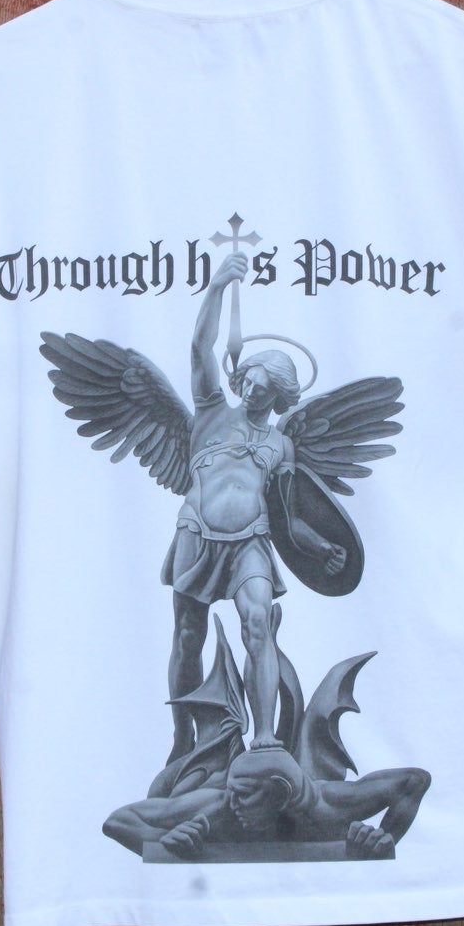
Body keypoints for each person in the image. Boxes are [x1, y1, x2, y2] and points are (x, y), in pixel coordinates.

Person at [162, 252, 347, 759]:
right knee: (188, 634)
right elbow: (199, 347)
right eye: (248, 379)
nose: (250, 388)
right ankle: (183, 736)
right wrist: (217, 287)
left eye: (262, 386)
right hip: (197, 533)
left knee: (259, 624)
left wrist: (322, 547)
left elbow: (288, 516)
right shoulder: (210, 411)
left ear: (277, 394)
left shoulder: (280, 446)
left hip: (251, 543)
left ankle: (263, 734)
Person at [103, 746, 430, 860]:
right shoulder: (216, 806)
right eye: (231, 791)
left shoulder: (328, 804)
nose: (233, 802)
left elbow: (414, 781)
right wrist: (164, 839)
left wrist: (385, 839)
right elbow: (117, 821)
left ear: (280, 793)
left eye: (244, 794)